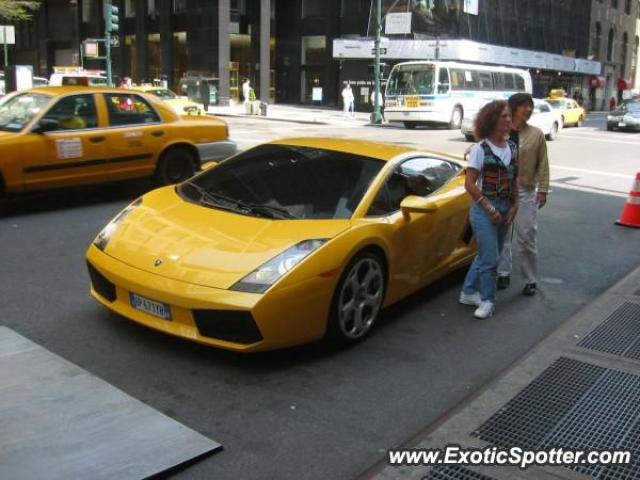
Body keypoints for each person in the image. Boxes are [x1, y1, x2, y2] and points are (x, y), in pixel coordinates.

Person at [459, 100, 519, 319]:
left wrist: (516, 206)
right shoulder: (480, 148)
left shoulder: (512, 148)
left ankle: (467, 292)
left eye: (509, 116)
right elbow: (470, 184)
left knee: (487, 254)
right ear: (492, 119)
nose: (508, 119)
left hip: (505, 207)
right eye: (503, 116)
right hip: (483, 208)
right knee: (491, 259)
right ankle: (487, 300)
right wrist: (488, 207)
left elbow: (515, 180)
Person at [496, 93, 549, 296]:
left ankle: (530, 279)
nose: (528, 109)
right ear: (514, 108)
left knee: (526, 235)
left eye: (530, 106)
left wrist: (543, 189)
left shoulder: (536, 134)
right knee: (502, 235)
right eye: (524, 105)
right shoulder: (500, 130)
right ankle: (503, 273)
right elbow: (485, 148)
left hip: (525, 190)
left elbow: (543, 163)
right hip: (502, 190)